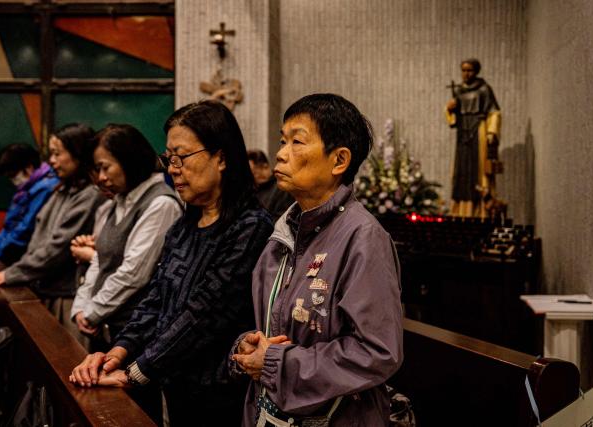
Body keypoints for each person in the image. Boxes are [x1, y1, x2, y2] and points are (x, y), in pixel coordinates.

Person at [69, 100, 274, 426]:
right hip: (175, 384)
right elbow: (156, 298)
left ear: (220, 157)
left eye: (182, 157)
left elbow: (204, 314)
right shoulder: (184, 224)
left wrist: (135, 373)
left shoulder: (250, 227)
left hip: (221, 395)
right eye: (169, 158)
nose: (172, 168)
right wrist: (117, 353)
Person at [231, 94, 404, 426]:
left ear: (339, 160)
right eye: (283, 141)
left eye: (297, 142)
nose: (281, 154)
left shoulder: (363, 237)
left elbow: (377, 352)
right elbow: (274, 325)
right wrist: (249, 345)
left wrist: (275, 362)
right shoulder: (284, 231)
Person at [0, 124, 104, 341]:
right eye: (51, 154)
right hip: (47, 289)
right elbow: (39, 239)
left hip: (67, 297)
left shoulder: (90, 195)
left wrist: (12, 273)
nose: (52, 161)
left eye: (57, 154)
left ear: (79, 154)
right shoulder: (62, 189)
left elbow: (57, 247)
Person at [70, 124, 182, 350]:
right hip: (106, 324)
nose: (100, 178)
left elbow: (134, 273)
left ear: (129, 160)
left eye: (105, 167)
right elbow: (100, 261)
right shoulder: (119, 201)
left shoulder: (161, 203)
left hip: (136, 333)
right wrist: (81, 307)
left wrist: (93, 312)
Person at [0, 144, 59, 273]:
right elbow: (10, 226)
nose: (13, 180)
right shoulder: (27, 189)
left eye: (13, 175)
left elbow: (24, 230)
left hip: (27, 260)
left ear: (28, 168)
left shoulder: (45, 189)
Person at [445, 58, 501, 217]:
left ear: (476, 71)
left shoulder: (484, 89)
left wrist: (491, 132)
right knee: (462, 170)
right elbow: (453, 119)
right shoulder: (458, 90)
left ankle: (480, 212)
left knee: (478, 170)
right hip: (463, 132)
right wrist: (449, 110)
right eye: (463, 70)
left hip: (479, 130)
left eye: (469, 70)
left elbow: (494, 112)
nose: (466, 74)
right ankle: (460, 212)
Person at [247, 149, 294, 220]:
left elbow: (282, 217)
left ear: (264, 166)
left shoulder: (282, 187)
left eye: (253, 172)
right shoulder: (253, 189)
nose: (250, 176)